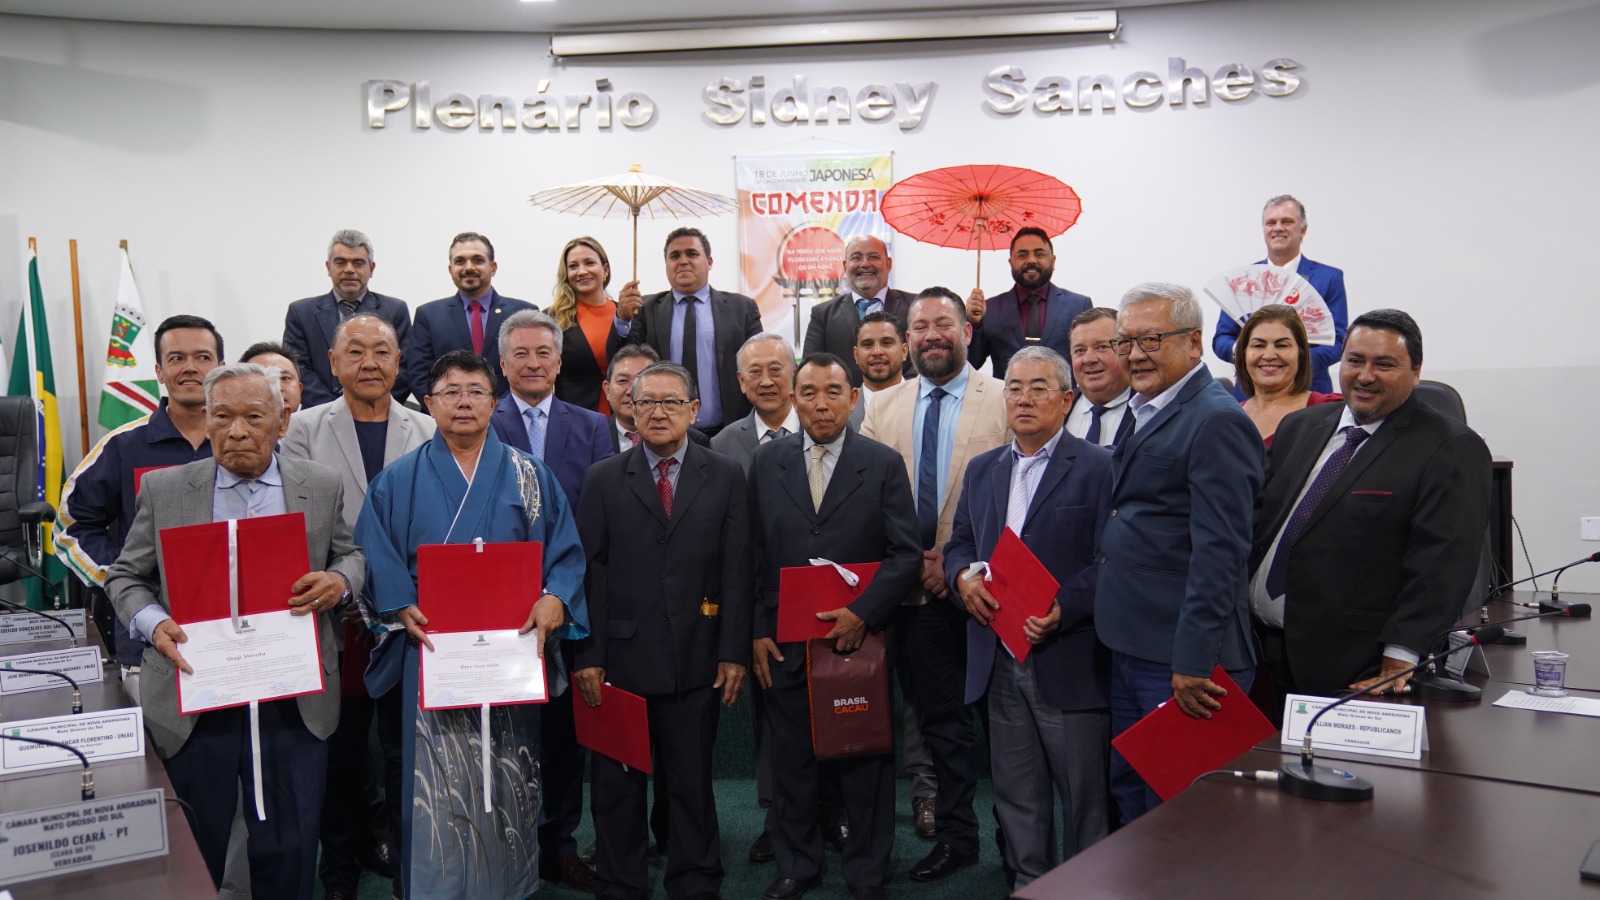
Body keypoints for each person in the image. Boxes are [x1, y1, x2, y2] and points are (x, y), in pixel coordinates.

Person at [104, 362, 365, 900]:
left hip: (293, 696)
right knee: (197, 844)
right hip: (197, 694)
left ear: (281, 423)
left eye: (252, 417)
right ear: (207, 419)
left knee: (290, 849)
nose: (236, 431)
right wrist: (154, 624)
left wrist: (340, 581)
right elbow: (126, 576)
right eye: (221, 417)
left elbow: (351, 555)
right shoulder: (166, 489)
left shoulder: (319, 484)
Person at [354, 350, 588, 900]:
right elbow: (374, 552)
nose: (463, 401)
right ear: (429, 404)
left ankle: (509, 881)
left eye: (475, 391)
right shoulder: (397, 481)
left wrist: (555, 598)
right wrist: (396, 605)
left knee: (510, 771)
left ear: (494, 401)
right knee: (437, 776)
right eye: (450, 391)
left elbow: (566, 552)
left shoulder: (531, 476)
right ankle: (436, 886)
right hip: (432, 649)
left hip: (511, 651)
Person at [1251, 310, 1491, 709]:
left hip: (1354, 666)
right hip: (1259, 651)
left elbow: (1441, 565)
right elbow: (1261, 527)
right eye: (1355, 361)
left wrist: (1403, 653)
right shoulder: (1300, 426)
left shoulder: (1449, 447)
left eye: (1384, 364)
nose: (1365, 375)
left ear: (1415, 372)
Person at [574, 361, 752, 900]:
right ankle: (620, 880)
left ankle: (696, 878)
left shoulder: (725, 475)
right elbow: (590, 571)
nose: (657, 411)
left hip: (697, 657)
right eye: (645, 401)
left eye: (671, 402)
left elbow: (736, 569)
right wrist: (587, 655)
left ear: (693, 410)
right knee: (617, 784)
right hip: (620, 661)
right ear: (627, 408)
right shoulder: (603, 478)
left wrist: (733, 652)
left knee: (690, 782)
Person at [748, 353, 922, 900]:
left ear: (854, 398)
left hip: (858, 641)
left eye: (832, 392)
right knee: (791, 760)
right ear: (794, 399)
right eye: (809, 392)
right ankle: (797, 865)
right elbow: (751, 556)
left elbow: (905, 554)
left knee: (864, 759)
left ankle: (867, 872)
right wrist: (757, 629)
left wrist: (865, 613)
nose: (820, 403)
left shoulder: (883, 463)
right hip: (785, 640)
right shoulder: (766, 463)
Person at [1094, 283, 1264, 824]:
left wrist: (1193, 661)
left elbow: (1222, 554)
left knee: (1182, 814)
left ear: (1194, 343)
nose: (1135, 354)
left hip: (1184, 659)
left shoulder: (1217, 419)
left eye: (1151, 339)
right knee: (1134, 792)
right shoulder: (1144, 406)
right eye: (1125, 342)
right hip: (1131, 642)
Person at [944, 347, 1113, 887]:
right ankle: (1030, 882)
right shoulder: (983, 469)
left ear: (1067, 400)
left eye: (1039, 387)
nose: (1023, 398)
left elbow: (1111, 559)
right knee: (1016, 789)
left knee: (1082, 791)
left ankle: (1085, 888)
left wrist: (1066, 607)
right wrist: (959, 580)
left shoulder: (1099, 467)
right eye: (1014, 387)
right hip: (996, 653)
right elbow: (960, 544)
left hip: (1067, 654)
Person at [280, 313, 434, 900]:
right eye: (356, 351)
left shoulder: (425, 427)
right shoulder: (304, 429)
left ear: (399, 362)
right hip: (333, 619)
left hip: (409, 618)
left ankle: (407, 872)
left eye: (382, 351)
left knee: (404, 753)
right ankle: (338, 874)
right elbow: (293, 518)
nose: (370, 362)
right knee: (340, 756)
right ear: (333, 362)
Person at [859, 288, 1009, 882]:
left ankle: (995, 836)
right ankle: (943, 834)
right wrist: (912, 563)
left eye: (943, 323)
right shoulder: (883, 406)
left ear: (967, 331)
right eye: (919, 327)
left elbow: (1013, 494)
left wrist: (953, 560)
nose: (931, 335)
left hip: (977, 587)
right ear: (907, 340)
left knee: (977, 724)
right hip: (904, 591)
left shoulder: (1003, 397)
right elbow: (869, 498)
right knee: (920, 722)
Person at [486, 308, 611, 892]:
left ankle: (560, 843)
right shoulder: (482, 420)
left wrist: (565, 588)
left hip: (569, 601)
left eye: (544, 354)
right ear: (503, 363)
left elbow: (599, 517)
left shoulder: (591, 426)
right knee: (508, 733)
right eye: (522, 354)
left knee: (563, 737)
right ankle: (508, 846)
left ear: (560, 363)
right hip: (499, 605)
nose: (533, 363)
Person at [58, 314, 224, 693]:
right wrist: (122, 582)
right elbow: (71, 529)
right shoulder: (122, 446)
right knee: (158, 749)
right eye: (176, 358)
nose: (190, 368)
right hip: (148, 639)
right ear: (159, 372)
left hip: (235, 630)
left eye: (202, 357)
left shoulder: (246, 442)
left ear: (220, 368)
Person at [615, 227, 762, 436]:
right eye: (674, 256)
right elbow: (623, 359)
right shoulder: (644, 309)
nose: (683, 261)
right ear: (666, 264)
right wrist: (622, 320)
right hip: (665, 431)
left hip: (730, 431)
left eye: (692, 254)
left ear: (709, 262)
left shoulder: (742, 308)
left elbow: (757, 365)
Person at [1212, 195, 1349, 394]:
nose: (1278, 228)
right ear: (1264, 230)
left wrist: (1293, 359)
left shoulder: (1329, 278)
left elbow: (1338, 342)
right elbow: (1221, 338)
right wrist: (1247, 353)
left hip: (1309, 390)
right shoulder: (1243, 280)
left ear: (1302, 230)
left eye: (1287, 222)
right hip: (1249, 392)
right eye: (1271, 222)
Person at [283, 229, 412, 408]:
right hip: (319, 417)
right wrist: (336, 410)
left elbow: (403, 369)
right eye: (341, 262)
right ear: (328, 267)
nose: (349, 270)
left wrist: (369, 403)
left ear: (371, 268)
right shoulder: (301, 312)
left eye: (358, 263)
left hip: (380, 413)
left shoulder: (395, 310)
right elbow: (298, 369)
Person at [405, 232, 537, 401]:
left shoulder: (522, 313)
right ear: (450, 269)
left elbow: (530, 369)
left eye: (478, 260)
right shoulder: (429, 315)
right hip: (450, 418)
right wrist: (449, 410)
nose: (468, 267)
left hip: (511, 418)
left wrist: (502, 411)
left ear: (493, 267)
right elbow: (419, 375)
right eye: (460, 261)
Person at [965, 227, 1091, 378]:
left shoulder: (1078, 306)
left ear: (1053, 261)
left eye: (1039, 254)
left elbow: (1088, 360)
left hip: (1062, 399)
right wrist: (974, 324)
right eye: (1022, 255)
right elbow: (971, 364)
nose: (1031, 260)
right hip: (1006, 399)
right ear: (1011, 262)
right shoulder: (990, 310)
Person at [803, 235, 914, 385]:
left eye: (873, 257)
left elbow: (923, 359)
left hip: (905, 402)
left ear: (888, 264)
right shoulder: (823, 315)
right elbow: (812, 370)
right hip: (846, 405)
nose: (865, 264)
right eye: (856, 258)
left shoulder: (915, 307)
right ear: (845, 266)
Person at [548, 236, 639, 414]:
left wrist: (623, 319)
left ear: (605, 269)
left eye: (589, 263)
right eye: (573, 266)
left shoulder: (628, 315)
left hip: (625, 420)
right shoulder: (552, 319)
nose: (581, 271)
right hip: (574, 418)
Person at [1234, 304, 1343, 446]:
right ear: (1243, 354)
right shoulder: (1229, 417)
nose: (1269, 355)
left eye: (1282, 345)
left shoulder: (1332, 411)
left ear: (1301, 353)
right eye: (1259, 345)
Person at [711, 334, 800, 470]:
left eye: (775, 370)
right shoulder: (723, 444)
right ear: (741, 381)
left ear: (795, 372)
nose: (766, 382)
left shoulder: (822, 428)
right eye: (755, 371)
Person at [604, 344, 711, 453]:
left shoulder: (696, 440)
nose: (631, 391)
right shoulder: (592, 437)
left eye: (641, 381)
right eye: (622, 381)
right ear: (607, 390)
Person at [1063, 308, 1134, 447]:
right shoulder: (1056, 407)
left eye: (1101, 347)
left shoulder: (1152, 409)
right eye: (1079, 350)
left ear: (1126, 349)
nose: (1089, 359)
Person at [852, 311, 910, 406]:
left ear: (904, 351)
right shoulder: (842, 408)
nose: (877, 352)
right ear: (856, 355)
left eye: (887, 343)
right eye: (867, 345)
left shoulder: (927, 404)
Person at [240, 340, 304, 413]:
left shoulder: (317, 423)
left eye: (284, 378)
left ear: (300, 389)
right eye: (265, 379)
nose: (277, 388)